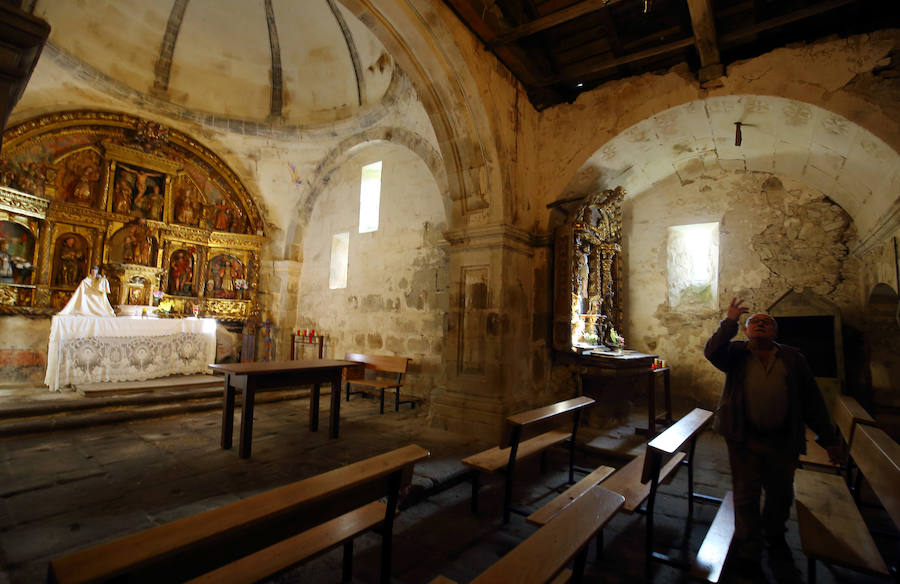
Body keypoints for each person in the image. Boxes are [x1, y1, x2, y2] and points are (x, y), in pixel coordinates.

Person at [704, 297, 842, 569]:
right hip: (744, 437)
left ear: (776, 332)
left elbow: (812, 400)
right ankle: (748, 543)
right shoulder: (736, 354)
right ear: (746, 331)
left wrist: (829, 440)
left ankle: (775, 537)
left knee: (780, 494)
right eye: (754, 322)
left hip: (782, 439)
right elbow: (712, 351)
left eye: (767, 322)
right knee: (746, 493)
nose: (761, 324)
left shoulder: (793, 358)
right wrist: (729, 321)